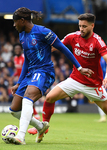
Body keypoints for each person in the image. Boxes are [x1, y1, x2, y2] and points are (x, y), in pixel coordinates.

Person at [28, 13, 107, 143]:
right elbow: (54, 47)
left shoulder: (97, 41)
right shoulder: (73, 36)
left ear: (92, 26)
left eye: (84, 26)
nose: (81, 29)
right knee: (49, 98)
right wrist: (37, 50)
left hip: (93, 85)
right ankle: (44, 126)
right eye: (80, 26)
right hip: (75, 79)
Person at [6, 7, 93, 145]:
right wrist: (19, 82)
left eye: (15, 22)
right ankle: (41, 127)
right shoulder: (22, 35)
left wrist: (80, 67)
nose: (14, 25)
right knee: (14, 110)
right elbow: (27, 60)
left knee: (28, 98)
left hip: (44, 71)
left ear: (22, 21)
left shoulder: (43, 32)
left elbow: (63, 48)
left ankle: (20, 137)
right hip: (30, 73)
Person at [13, 43, 40, 120]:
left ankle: (35, 113)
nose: (17, 50)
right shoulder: (15, 58)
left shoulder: (24, 57)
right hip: (20, 80)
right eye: (16, 49)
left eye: (18, 49)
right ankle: (30, 113)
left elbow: (27, 68)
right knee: (23, 97)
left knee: (27, 96)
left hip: (27, 79)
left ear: (21, 50)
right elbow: (18, 70)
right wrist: (13, 76)